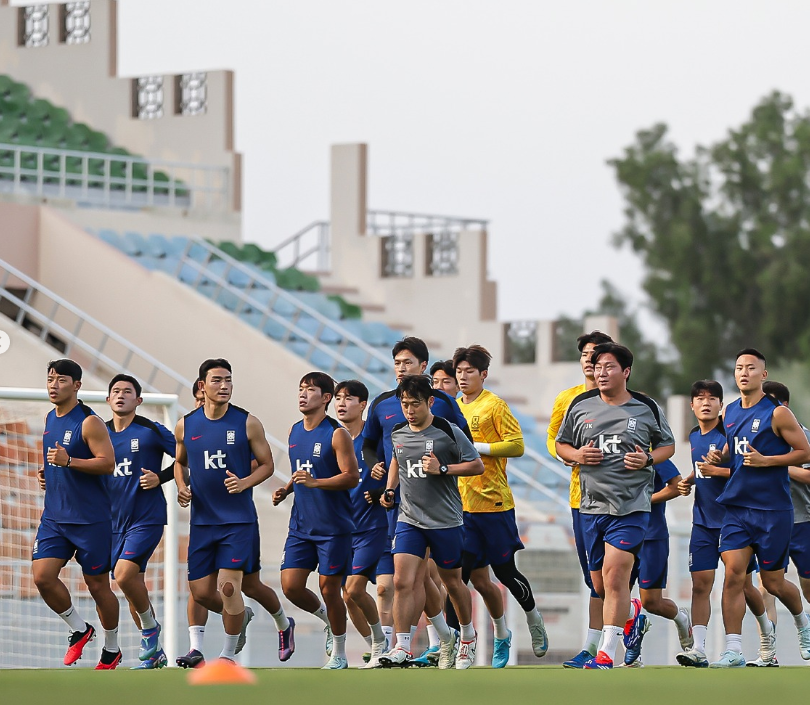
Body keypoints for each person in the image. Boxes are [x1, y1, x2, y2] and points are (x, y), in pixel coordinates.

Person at [555, 342, 676, 669]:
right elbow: (561, 444)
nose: (601, 372)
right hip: (590, 508)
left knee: (615, 575)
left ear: (626, 372)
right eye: (597, 367)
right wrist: (577, 455)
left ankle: (607, 653)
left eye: (609, 366)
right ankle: (631, 614)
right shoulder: (579, 405)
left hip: (632, 507)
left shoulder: (646, 407)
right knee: (599, 584)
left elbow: (668, 445)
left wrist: (648, 458)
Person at [174, 359, 293, 665]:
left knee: (229, 587)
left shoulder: (247, 422)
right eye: (217, 380)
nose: (224, 386)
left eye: (228, 380)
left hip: (238, 522)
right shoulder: (186, 424)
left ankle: (227, 655)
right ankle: (259, 617)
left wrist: (244, 483)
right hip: (202, 522)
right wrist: (181, 486)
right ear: (202, 386)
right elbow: (180, 462)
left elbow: (268, 465)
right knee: (201, 592)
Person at [362, 337, 471, 652]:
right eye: (396, 363)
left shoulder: (444, 404)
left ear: (423, 366)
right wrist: (379, 472)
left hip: (440, 506)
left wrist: (443, 469)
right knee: (405, 578)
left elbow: (463, 447)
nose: (401, 368)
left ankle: (455, 637)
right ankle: (412, 644)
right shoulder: (383, 403)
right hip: (400, 504)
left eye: (407, 363)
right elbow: (372, 445)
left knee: (439, 578)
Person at [707, 349, 810, 667]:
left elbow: (804, 451)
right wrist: (719, 457)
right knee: (734, 576)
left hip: (774, 511)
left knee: (774, 583)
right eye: (739, 367)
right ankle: (733, 649)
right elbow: (732, 448)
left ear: (763, 375)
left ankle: (803, 624)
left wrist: (768, 461)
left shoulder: (778, 413)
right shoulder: (729, 411)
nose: (744, 372)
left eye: (751, 368)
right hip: (737, 507)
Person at [450, 344, 548, 667]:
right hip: (460, 508)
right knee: (458, 578)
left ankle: (533, 619)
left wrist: (476, 446)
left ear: (483, 375)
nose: (462, 377)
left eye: (469, 372)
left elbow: (517, 445)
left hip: (494, 504)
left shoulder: (494, 405)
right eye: (459, 372)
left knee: (505, 573)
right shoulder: (451, 409)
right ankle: (460, 644)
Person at [378, 375, 484, 669]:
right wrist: (390, 489)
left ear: (430, 402)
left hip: (445, 520)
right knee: (401, 581)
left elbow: (476, 464)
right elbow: (397, 461)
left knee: (452, 583)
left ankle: (467, 637)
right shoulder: (398, 432)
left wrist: (444, 468)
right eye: (404, 404)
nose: (409, 410)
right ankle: (402, 645)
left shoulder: (447, 431)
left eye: (415, 404)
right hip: (409, 518)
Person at [675, 380, 773, 668]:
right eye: (700, 399)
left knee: (742, 585)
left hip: (735, 521)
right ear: (692, 405)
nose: (706, 403)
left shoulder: (730, 432)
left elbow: (746, 468)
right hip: (703, 522)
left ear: (721, 405)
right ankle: (699, 649)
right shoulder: (694, 435)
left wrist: (717, 469)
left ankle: (764, 631)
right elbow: (699, 467)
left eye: (712, 398)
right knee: (700, 584)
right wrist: (688, 481)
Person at [32, 359, 120, 669]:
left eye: (61, 380)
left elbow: (107, 463)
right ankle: (80, 629)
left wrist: (70, 463)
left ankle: (111, 649)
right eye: (51, 379)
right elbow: (58, 459)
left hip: (90, 520)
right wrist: (48, 473)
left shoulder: (89, 422)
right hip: (55, 518)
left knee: (98, 586)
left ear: (77, 386)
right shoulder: (49, 418)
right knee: (42, 577)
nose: (54, 385)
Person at [273, 372, 360, 669]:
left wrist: (316, 483)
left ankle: (338, 652)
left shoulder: (337, 434)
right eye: (301, 389)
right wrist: (287, 489)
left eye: (310, 390)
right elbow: (303, 471)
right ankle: (325, 618)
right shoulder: (294, 431)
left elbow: (352, 476)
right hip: (301, 525)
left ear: (325, 398)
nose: (303, 394)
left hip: (333, 527)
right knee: (291, 586)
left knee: (329, 588)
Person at [546, 330, 614, 668]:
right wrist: (573, 456)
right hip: (581, 498)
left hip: (620, 501)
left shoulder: (626, 402)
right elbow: (554, 439)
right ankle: (597, 643)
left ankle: (607, 646)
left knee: (612, 578)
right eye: (586, 354)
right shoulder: (567, 399)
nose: (591, 360)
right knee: (594, 578)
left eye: (598, 354)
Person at [106, 374, 175, 670]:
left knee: (123, 575)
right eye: (116, 391)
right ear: (108, 399)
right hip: (110, 522)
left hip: (146, 517)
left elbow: (187, 457)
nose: (121, 395)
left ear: (139, 400)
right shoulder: (98, 434)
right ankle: (155, 653)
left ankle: (150, 631)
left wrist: (162, 477)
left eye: (127, 391)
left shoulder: (150, 430)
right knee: (132, 585)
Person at [744, 380, 810, 666]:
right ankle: (767, 653)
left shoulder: (803, 437)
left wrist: (771, 461)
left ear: (782, 407)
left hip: (802, 520)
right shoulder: (753, 437)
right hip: (768, 521)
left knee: (808, 587)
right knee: (767, 585)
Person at [334, 379, 389, 668]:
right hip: (343, 531)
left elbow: (398, 469)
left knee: (361, 589)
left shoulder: (375, 441)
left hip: (373, 527)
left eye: (349, 398)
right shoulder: (333, 440)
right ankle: (375, 648)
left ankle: (386, 642)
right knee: (347, 596)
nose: (341, 403)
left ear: (363, 405)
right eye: (338, 398)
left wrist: (383, 491)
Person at [623, 458, 692, 666]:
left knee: (651, 602)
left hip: (651, 535)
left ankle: (681, 618)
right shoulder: (611, 448)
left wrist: (645, 500)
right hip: (620, 533)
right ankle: (633, 654)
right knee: (615, 596)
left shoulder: (653, 454)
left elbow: (677, 486)